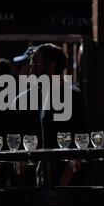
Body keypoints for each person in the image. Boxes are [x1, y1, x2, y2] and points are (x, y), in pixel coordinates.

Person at [14, 44, 87, 187]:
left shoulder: (72, 96)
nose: (31, 71)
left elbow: (79, 143)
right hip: (40, 182)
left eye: (36, 66)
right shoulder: (35, 96)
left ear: (52, 67)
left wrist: (61, 186)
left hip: (64, 185)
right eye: (31, 65)